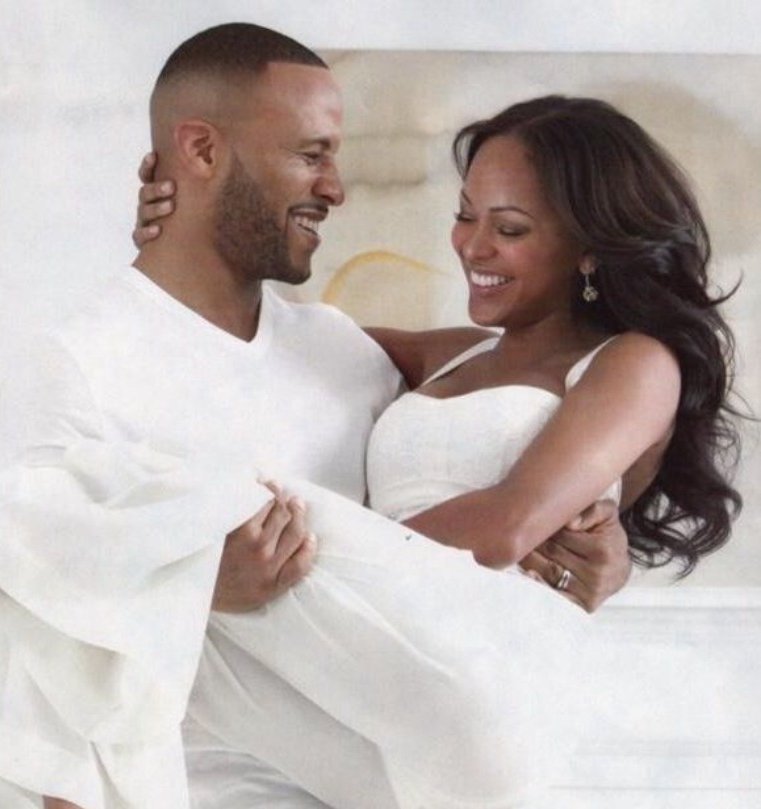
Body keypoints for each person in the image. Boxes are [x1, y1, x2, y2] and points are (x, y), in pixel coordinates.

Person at [0, 24, 635, 809]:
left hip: (390, 782)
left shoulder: (344, 352)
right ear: (201, 151)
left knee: (179, 515)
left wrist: (587, 549)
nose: (335, 188)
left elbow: (540, 374)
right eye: (311, 154)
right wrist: (192, 582)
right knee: (112, 519)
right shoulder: (79, 363)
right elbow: (45, 663)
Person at [132, 92, 743, 808]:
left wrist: (292, 562)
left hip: (483, 663)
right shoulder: (448, 356)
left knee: (187, 550)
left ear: (588, 248)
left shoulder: (633, 362)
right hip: (371, 657)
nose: (473, 247)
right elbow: (253, 338)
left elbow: (510, 524)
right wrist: (181, 237)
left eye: (509, 228)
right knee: (119, 658)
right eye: (464, 215)